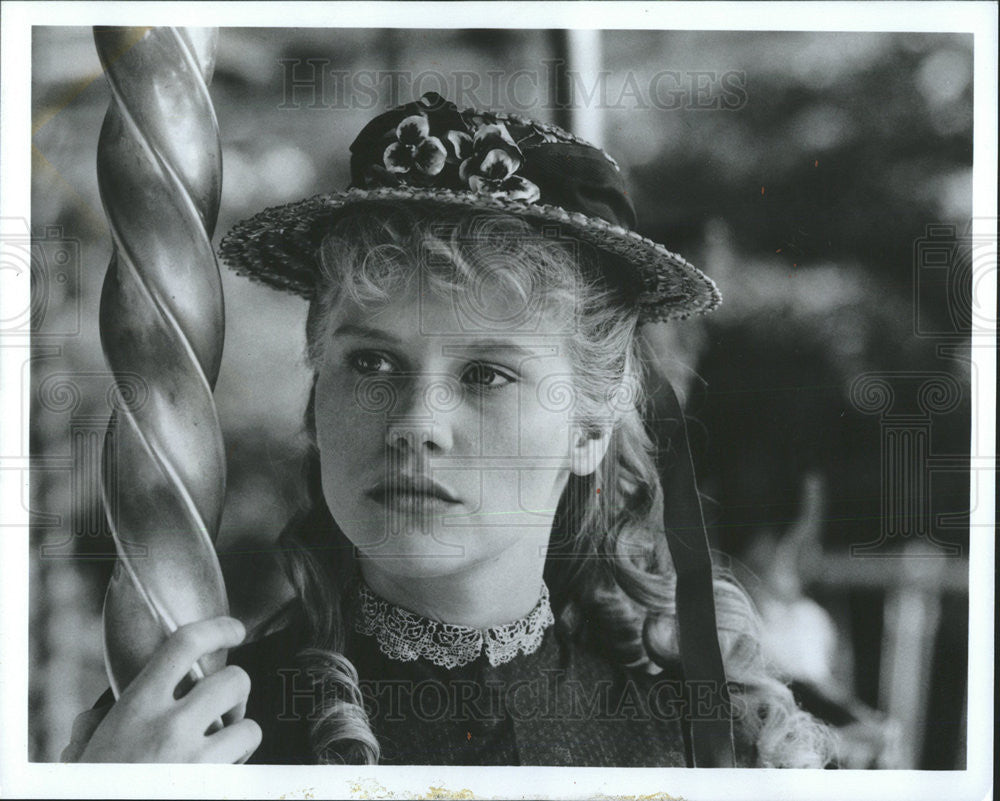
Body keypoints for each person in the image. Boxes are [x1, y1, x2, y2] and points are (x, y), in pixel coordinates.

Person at [64, 92, 833, 767]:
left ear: (589, 427)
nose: (415, 424)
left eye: (487, 374)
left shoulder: (709, 749)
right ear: (317, 395)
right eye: (371, 362)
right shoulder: (193, 740)